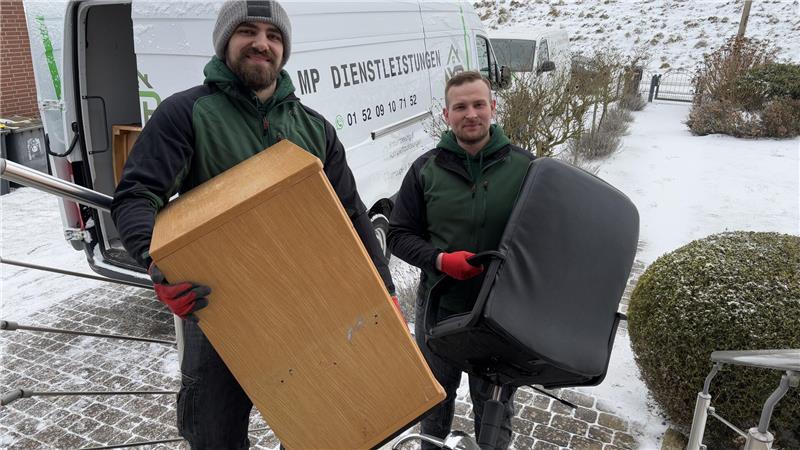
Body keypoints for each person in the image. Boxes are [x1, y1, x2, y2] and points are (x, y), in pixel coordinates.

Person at [111, 1, 395, 447]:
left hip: (311, 309)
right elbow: (137, 195)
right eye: (247, 31)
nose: (262, 43)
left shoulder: (315, 127)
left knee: (323, 429)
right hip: (219, 313)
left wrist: (386, 291)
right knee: (213, 435)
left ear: (284, 50)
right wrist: (156, 262)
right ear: (226, 41)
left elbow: (352, 213)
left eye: (274, 35)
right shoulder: (186, 113)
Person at [387, 70, 534, 449]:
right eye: (460, 107)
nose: (471, 114)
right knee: (434, 400)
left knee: (496, 406)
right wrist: (439, 260)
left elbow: (544, 234)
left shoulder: (527, 169)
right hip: (440, 307)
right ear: (446, 114)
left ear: (493, 107)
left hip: (500, 313)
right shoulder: (425, 170)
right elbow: (400, 235)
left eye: (478, 104)